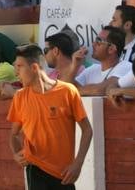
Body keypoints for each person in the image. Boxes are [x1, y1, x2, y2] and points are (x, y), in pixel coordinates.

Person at [8, 43, 93, 190]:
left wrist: (78, 163)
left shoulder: (68, 91)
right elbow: (13, 134)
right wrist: (16, 154)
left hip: (64, 174)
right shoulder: (20, 97)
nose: (16, 73)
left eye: (19, 67)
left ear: (34, 68)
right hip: (35, 171)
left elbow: (87, 130)